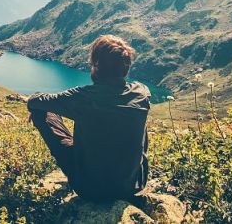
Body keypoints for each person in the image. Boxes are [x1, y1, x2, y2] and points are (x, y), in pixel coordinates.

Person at [27, 35, 150, 202]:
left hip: (91, 189)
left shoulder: (83, 97)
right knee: (137, 118)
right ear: (126, 67)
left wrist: (38, 109)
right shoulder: (141, 93)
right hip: (133, 185)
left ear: (96, 66)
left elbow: (35, 101)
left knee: (42, 111)